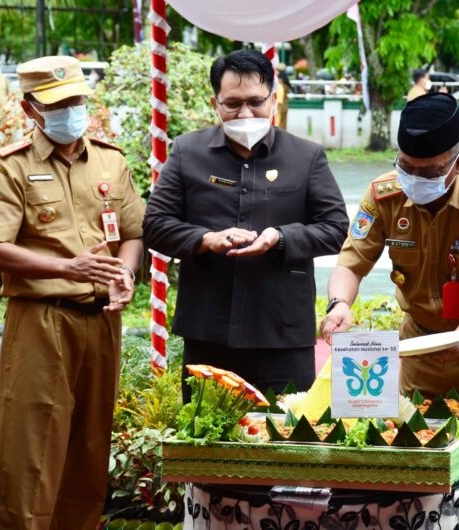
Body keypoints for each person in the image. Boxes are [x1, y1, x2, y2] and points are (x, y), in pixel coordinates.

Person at [321, 92, 459, 530]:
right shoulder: (384, 195)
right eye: (407, 166)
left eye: (429, 171)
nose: (415, 178)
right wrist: (339, 305)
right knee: (413, 464)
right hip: (417, 349)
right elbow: (350, 262)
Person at [142, 49, 349, 400]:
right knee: (208, 444)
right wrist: (206, 239)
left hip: (282, 331)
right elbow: (155, 225)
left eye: (255, 102)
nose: (245, 113)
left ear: (273, 98)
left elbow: (335, 227)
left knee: (286, 442)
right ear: (215, 103)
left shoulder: (306, 156)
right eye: (232, 104)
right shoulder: (187, 152)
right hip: (208, 331)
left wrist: (280, 238)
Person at [0, 55, 145, 529]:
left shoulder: (110, 159)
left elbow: (132, 233)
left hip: (102, 319)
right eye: (60, 103)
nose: (72, 110)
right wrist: (69, 266)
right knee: (33, 449)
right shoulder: (13, 167)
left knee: (89, 444)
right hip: (42, 319)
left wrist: (124, 275)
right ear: (30, 109)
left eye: (79, 99)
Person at [275, 64, 292, 130]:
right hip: (285, 105)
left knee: (278, 123)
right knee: (283, 124)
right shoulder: (286, 84)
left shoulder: (279, 84)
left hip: (279, 106)